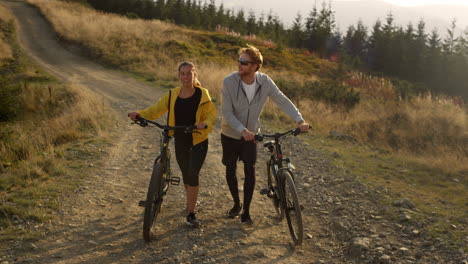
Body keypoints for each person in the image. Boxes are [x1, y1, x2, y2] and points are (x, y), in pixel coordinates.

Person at [221, 45, 309, 224]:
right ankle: (236, 204)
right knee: (230, 169)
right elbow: (227, 113)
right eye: (239, 61)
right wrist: (242, 130)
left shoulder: (265, 82)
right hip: (230, 133)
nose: (240, 65)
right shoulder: (229, 82)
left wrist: (300, 120)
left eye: (244, 62)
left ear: (255, 66)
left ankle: (246, 211)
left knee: (250, 170)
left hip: (252, 134)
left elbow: (282, 100)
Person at [128, 61, 216, 227]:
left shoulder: (202, 94)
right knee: (185, 173)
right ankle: (190, 201)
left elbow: (211, 115)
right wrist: (139, 114)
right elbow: (156, 110)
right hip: (180, 138)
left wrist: (205, 124)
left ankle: (191, 213)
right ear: (178, 75)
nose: (185, 77)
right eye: (182, 73)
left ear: (194, 75)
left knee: (193, 173)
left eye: (189, 73)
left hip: (198, 138)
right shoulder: (172, 94)